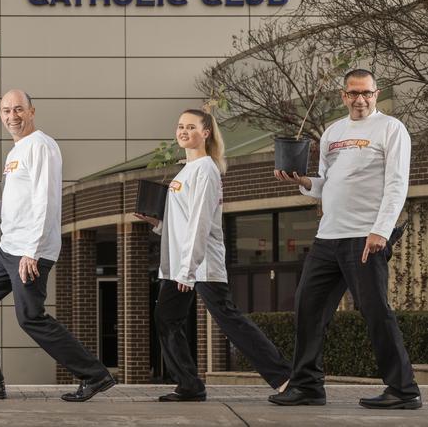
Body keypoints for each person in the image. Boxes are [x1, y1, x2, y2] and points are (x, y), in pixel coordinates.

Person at [269, 69, 421, 409]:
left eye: (366, 93)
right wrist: (303, 181)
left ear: (376, 94)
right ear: (343, 96)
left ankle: (403, 390)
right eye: (353, 93)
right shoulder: (332, 132)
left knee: (375, 311)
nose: (360, 99)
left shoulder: (390, 129)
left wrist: (381, 229)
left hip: (365, 237)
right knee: (308, 308)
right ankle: (307, 386)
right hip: (328, 237)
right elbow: (326, 182)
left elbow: (397, 184)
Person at [0, 89, 114, 402]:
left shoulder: (41, 146)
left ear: (32, 111)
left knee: (30, 317)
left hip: (29, 250)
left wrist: (32, 251)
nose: (13, 116)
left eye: (19, 110)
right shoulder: (16, 152)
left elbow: (46, 201)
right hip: (8, 247)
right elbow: (18, 203)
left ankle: (95, 374)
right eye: (7, 111)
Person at [136, 108, 291, 401]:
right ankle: (189, 385)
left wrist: (189, 269)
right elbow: (183, 220)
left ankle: (284, 378)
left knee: (230, 320)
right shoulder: (187, 169)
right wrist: (158, 225)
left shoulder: (206, 169)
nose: (183, 131)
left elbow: (201, 221)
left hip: (200, 263)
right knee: (166, 318)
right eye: (180, 126)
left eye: (190, 127)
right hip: (179, 263)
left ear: (205, 133)